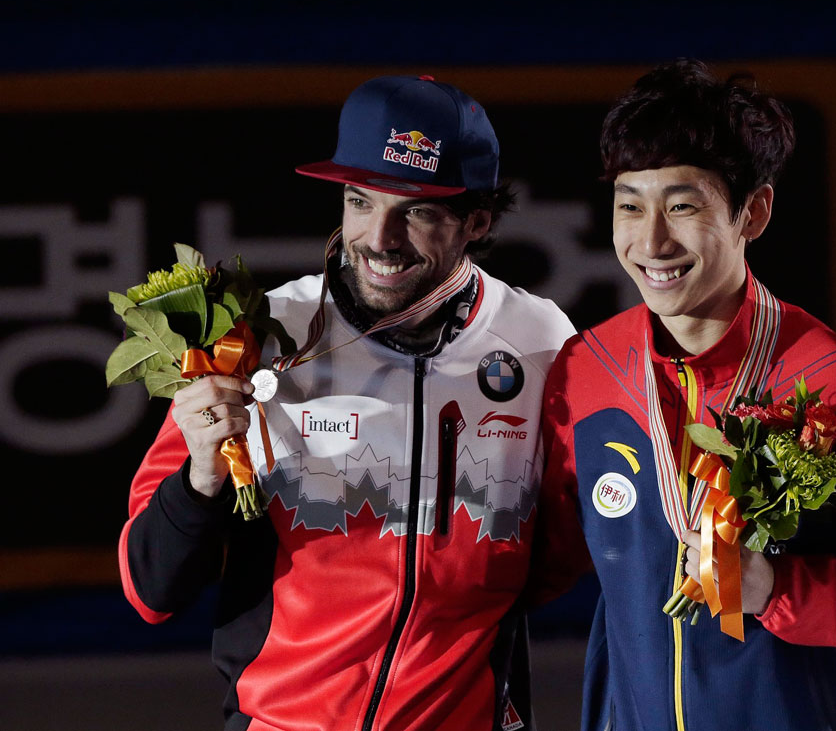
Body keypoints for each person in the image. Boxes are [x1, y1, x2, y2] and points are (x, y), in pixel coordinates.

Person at [117, 75, 579, 731]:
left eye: (416, 210)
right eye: (360, 201)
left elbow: (559, 552)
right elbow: (150, 590)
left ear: (476, 221)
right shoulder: (257, 336)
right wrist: (200, 476)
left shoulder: (540, 343)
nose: (379, 237)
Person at [539, 59, 836, 731]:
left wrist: (777, 588)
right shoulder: (584, 369)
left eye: (683, 206)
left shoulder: (831, 376)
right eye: (630, 206)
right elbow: (545, 564)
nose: (651, 241)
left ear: (755, 212)